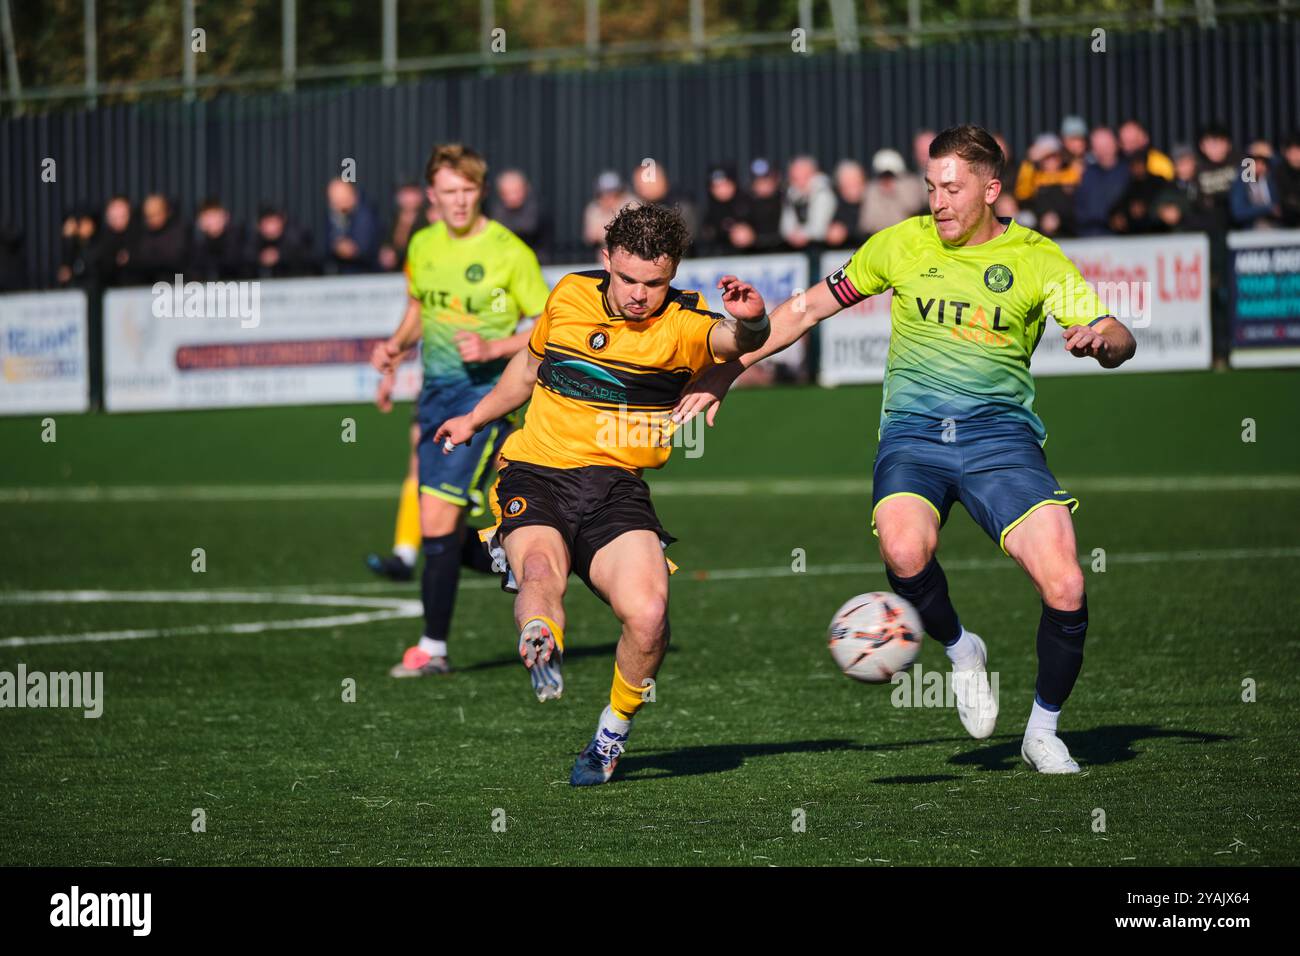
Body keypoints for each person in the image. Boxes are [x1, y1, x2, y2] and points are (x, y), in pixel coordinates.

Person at [675, 124, 1137, 775]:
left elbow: (1115, 335)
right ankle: (959, 648)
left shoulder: (1037, 258)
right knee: (902, 548)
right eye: (931, 186)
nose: (939, 200)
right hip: (913, 438)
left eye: (952, 187)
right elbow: (806, 309)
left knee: (1065, 584)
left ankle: (1041, 731)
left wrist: (1104, 340)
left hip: (1001, 441)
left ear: (991, 188)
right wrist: (726, 369)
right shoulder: (900, 243)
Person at [433, 202, 771, 785]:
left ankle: (610, 736)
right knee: (541, 568)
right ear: (606, 259)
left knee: (649, 615)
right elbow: (528, 366)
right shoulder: (568, 294)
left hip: (616, 487)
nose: (641, 295)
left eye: (655, 283)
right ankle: (542, 637)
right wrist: (474, 418)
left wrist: (754, 321)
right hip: (534, 471)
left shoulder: (686, 323)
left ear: (673, 274)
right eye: (629, 279)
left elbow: (738, 338)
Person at [370, 143, 549, 677]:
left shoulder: (509, 250)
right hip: (435, 396)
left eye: (468, 190)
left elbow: (548, 326)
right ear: (432, 195)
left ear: (481, 191)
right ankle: (517, 561)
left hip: (488, 400)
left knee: (436, 517)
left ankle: (433, 649)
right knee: (438, 528)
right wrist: (394, 347)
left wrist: (495, 348)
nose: (458, 201)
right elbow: (418, 307)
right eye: (448, 191)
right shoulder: (422, 244)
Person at [1074, 126, 1130, 236]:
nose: (1104, 150)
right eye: (1099, 147)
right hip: (1091, 237)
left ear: (1116, 144)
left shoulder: (1129, 172)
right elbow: (1080, 210)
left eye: (1107, 145)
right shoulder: (1085, 175)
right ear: (1093, 149)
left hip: (1124, 237)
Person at [487, 169, 549, 261]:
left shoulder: (537, 209)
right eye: (507, 193)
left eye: (516, 192)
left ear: (526, 189)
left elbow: (529, 228)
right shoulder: (496, 211)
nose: (513, 197)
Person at [860, 148, 925, 236]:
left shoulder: (910, 185)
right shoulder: (872, 191)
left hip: (906, 236)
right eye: (883, 176)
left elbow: (914, 206)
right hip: (881, 238)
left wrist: (896, 192)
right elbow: (867, 223)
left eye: (890, 175)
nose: (887, 180)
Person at [323, 178, 380, 274]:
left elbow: (359, 249)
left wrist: (341, 247)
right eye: (332, 197)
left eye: (339, 196)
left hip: (365, 276)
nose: (335, 201)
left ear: (351, 194)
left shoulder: (365, 216)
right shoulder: (335, 217)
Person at [780, 155, 836, 248]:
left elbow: (819, 229)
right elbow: (786, 227)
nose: (801, 182)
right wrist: (793, 235)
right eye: (795, 178)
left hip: (824, 250)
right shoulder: (790, 194)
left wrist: (801, 234)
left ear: (815, 174)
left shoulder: (824, 193)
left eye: (805, 176)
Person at [246, 204, 315, 278]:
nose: (271, 227)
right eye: (267, 222)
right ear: (259, 225)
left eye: (274, 222)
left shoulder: (294, 238)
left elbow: (305, 258)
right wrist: (260, 258)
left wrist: (280, 256)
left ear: (282, 222)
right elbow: (245, 259)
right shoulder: (254, 240)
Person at [732, 157, 783, 252]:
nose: (763, 184)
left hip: (786, 251)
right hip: (754, 253)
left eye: (767, 179)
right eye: (758, 181)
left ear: (776, 178)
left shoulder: (787, 197)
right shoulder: (744, 202)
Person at [698, 162, 749, 254]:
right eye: (716, 186)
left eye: (725, 185)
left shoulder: (747, 204)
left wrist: (750, 234)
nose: (721, 190)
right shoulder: (707, 210)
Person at [190, 198, 246, 280]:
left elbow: (234, 265)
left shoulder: (238, 238)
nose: (212, 220)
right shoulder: (196, 243)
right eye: (208, 216)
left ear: (226, 217)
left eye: (215, 215)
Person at [377, 181, 428, 272]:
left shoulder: (426, 221)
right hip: (392, 274)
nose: (408, 199)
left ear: (420, 196)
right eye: (405, 194)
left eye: (412, 193)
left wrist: (397, 255)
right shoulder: (393, 220)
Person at [583, 171, 633, 252]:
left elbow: (631, 232)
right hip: (603, 257)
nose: (608, 196)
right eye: (604, 192)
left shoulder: (631, 203)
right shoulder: (594, 208)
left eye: (613, 192)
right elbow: (591, 236)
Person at [826, 159, 867, 248]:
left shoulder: (871, 200)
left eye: (855, 180)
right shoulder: (833, 202)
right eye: (847, 181)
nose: (852, 184)